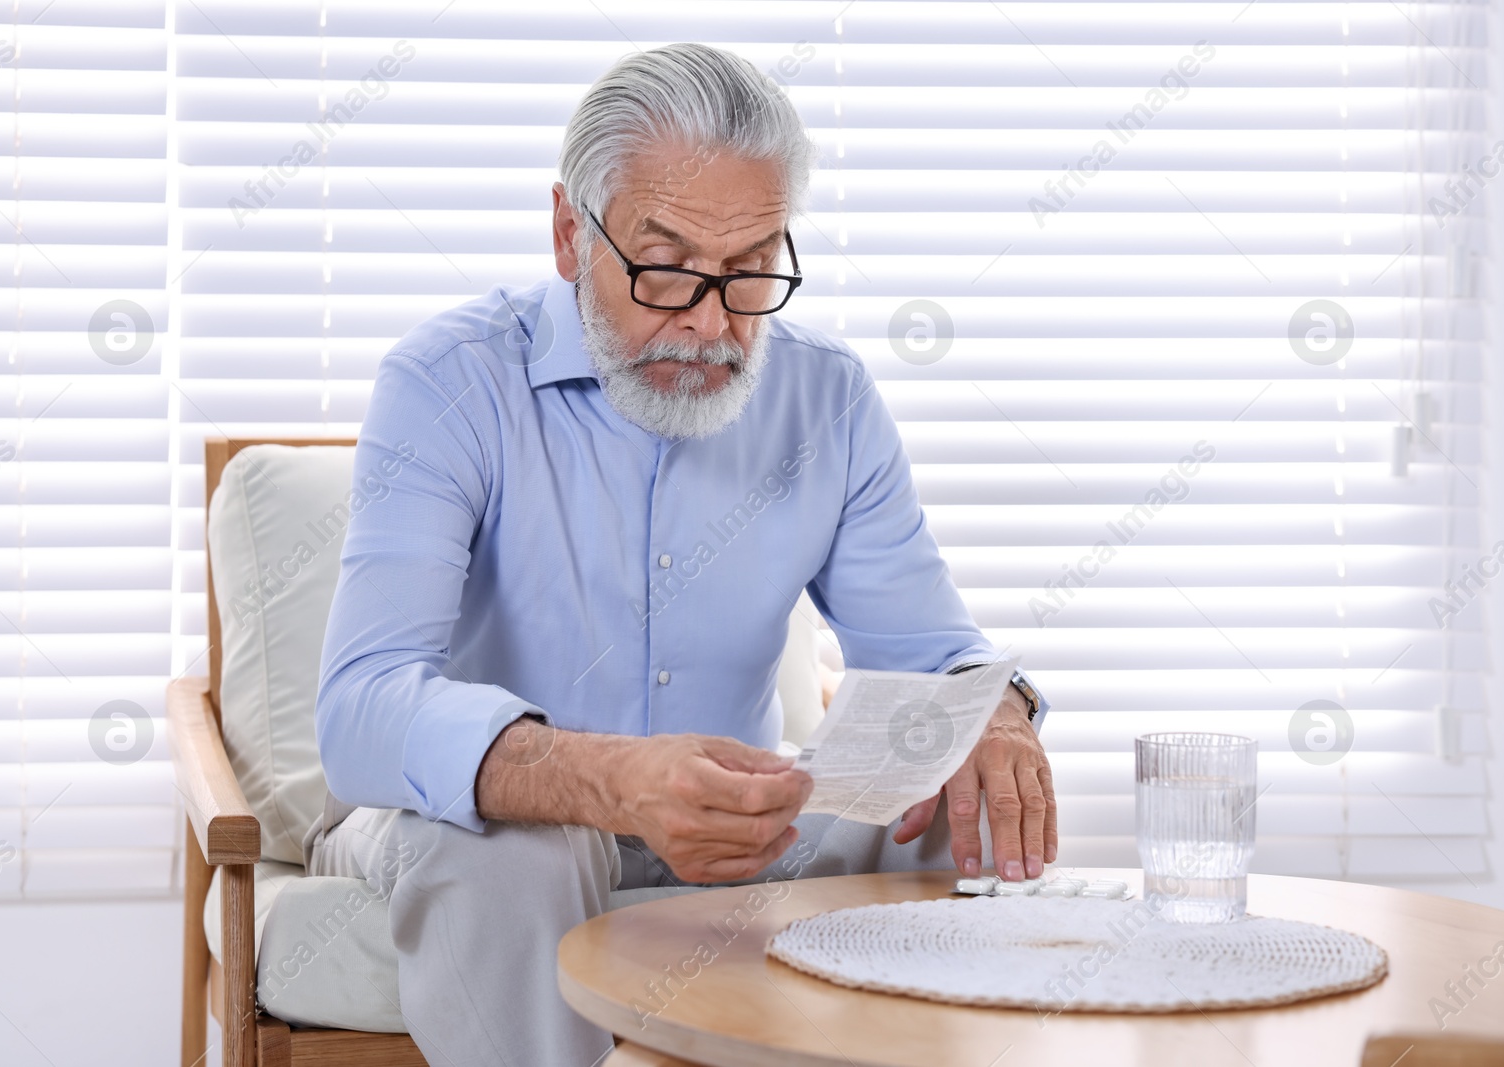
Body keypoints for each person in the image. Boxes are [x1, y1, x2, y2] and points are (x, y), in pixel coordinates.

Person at [308, 41, 1056, 1066]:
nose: (710, 324)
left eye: (750, 271)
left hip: (744, 834)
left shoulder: (826, 397)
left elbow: (933, 655)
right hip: (473, 829)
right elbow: (360, 709)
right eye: (664, 269)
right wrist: (605, 778)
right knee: (525, 848)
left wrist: (995, 712)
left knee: (953, 807)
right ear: (572, 232)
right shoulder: (446, 382)